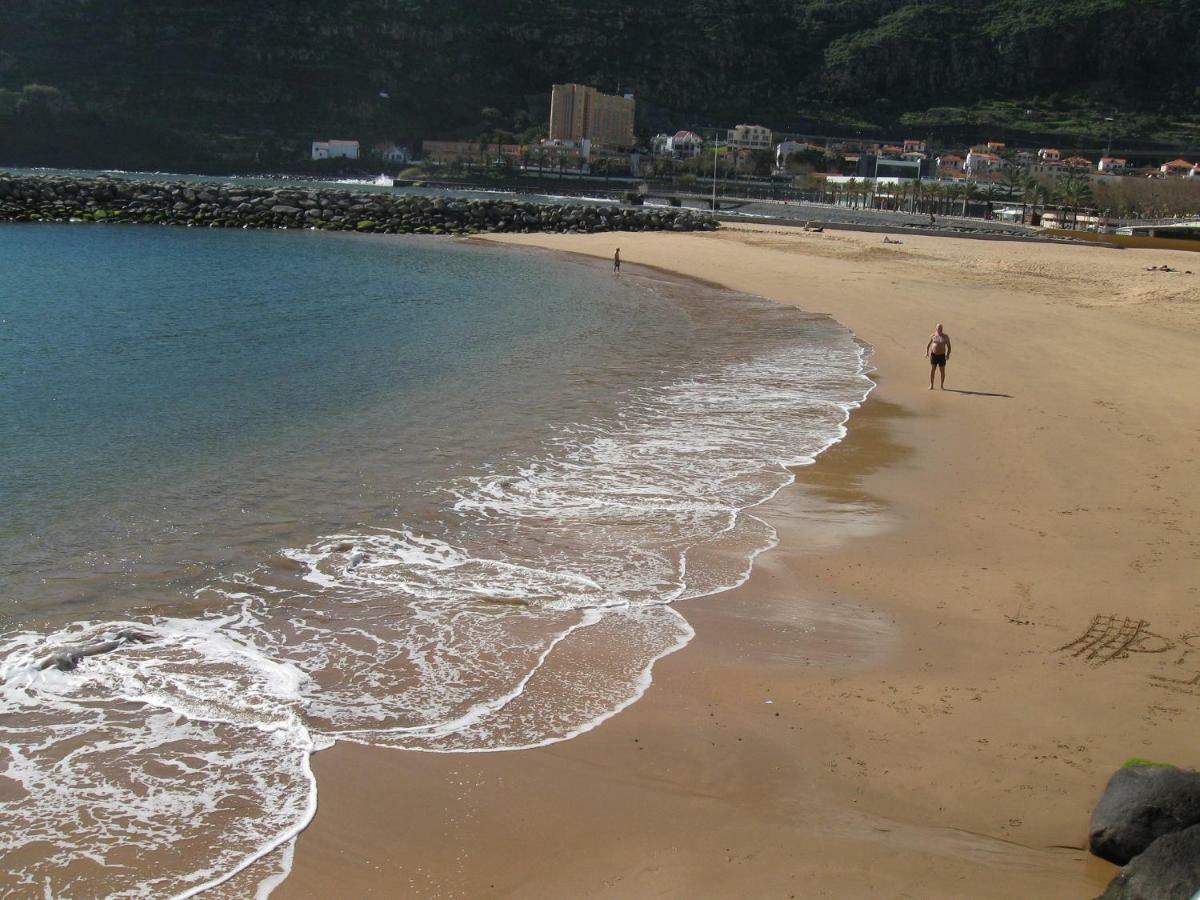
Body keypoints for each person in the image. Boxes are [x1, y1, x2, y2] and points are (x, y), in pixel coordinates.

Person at [926, 323, 951, 390]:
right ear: (936, 329)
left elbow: (949, 347)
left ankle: (942, 385)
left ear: (942, 329)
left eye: (941, 328)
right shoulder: (933, 335)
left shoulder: (945, 337)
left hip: (942, 356)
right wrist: (926, 352)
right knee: (932, 369)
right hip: (934, 355)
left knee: (942, 371)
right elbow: (928, 344)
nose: (939, 329)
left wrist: (948, 355)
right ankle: (931, 385)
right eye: (938, 328)